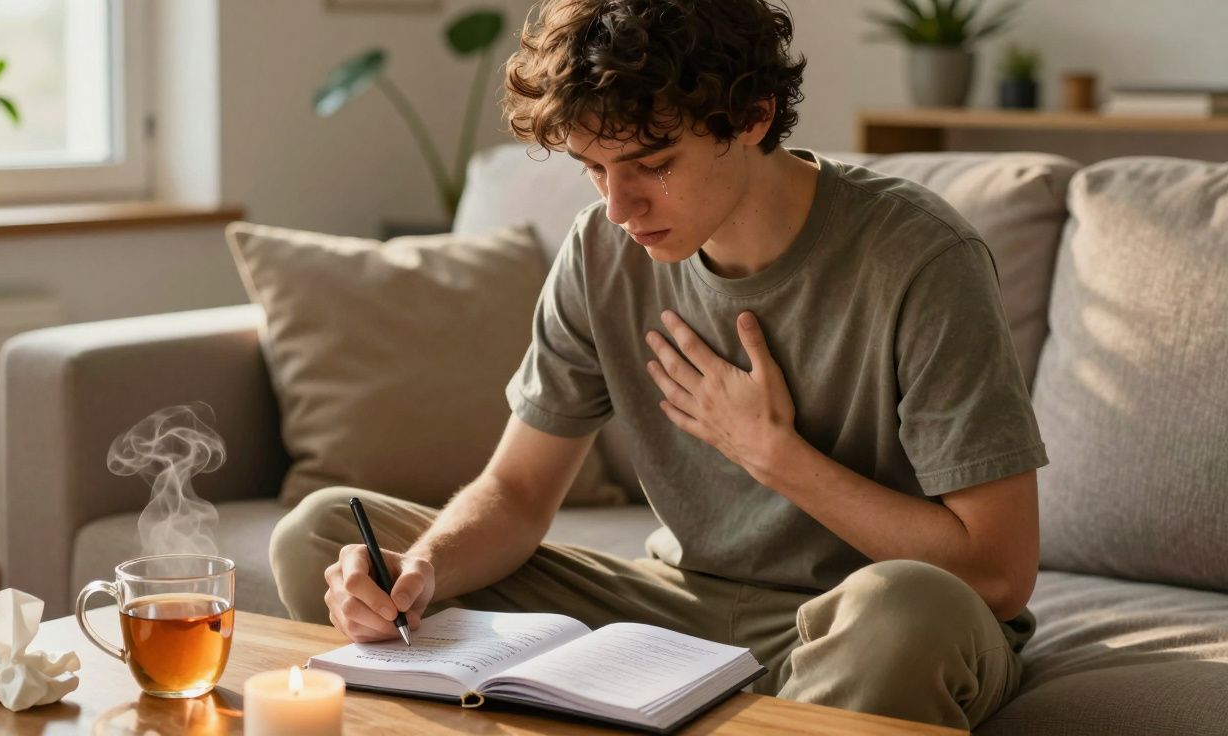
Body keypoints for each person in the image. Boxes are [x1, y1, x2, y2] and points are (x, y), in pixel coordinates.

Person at [270, 0, 1048, 729]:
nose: (618, 206)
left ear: (753, 117)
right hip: (676, 613)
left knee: (906, 612)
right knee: (328, 535)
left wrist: (773, 455)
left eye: (652, 163)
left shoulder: (920, 259)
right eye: (592, 168)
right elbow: (517, 491)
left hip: (861, 618)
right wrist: (421, 572)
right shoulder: (601, 250)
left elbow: (998, 573)